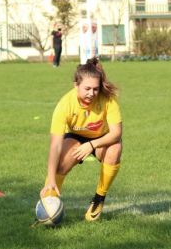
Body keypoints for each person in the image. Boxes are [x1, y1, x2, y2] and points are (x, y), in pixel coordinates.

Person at [39, 57, 122, 221]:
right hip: (77, 137)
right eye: (87, 88)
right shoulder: (65, 105)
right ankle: (51, 198)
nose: (92, 93)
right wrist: (49, 178)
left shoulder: (108, 99)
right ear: (76, 85)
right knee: (61, 162)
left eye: (95, 89)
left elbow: (116, 133)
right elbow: (55, 145)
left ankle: (98, 199)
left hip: (102, 138)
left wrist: (91, 145)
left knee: (115, 149)